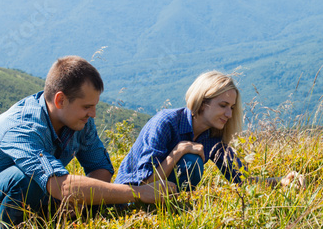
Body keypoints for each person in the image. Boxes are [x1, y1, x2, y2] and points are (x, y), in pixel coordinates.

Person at [0, 56, 175, 229]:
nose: (93, 113)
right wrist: (138, 193)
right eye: (86, 107)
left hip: (24, 203)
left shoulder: (78, 121)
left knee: (65, 189)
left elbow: (99, 166)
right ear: (60, 100)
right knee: (26, 178)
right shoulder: (22, 128)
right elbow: (62, 186)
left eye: (94, 106)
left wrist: (82, 201)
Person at [115, 70, 304, 190]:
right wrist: (179, 150)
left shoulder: (212, 137)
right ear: (203, 103)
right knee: (190, 162)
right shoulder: (166, 122)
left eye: (231, 107)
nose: (229, 114)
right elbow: (144, 184)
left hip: (166, 203)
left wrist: (281, 181)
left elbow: (241, 179)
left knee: (190, 162)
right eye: (223, 105)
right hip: (127, 199)